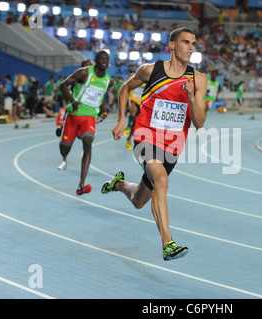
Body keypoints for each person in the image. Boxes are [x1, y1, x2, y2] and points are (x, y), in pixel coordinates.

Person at [101, 27, 207, 261]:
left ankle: (119, 185)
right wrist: (120, 120)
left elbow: (199, 122)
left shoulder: (198, 80)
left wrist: (190, 97)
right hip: (144, 137)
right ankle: (168, 243)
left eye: (194, 44)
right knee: (161, 179)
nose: (191, 47)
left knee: (139, 200)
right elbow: (125, 87)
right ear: (172, 45)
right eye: (187, 42)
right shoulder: (150, 71)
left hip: (172, 147)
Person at [58, 50, 113, 195]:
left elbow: (101, 97)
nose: (103, 61)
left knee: (87, 142)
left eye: (106, 59)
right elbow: (62, 85)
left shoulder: (109, 80)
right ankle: (67, 142)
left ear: (108, 62)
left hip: (90, 117)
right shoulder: (83, 73)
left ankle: (81, 184)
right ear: (95, 60)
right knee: (65, 149)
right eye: (101, 58)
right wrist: (73, 101)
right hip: (73, 115)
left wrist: (105, 111)